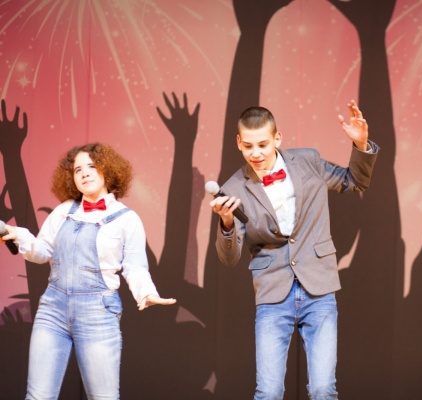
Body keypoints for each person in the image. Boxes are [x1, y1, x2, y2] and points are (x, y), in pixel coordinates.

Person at [210, 100, 379, 399]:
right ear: (238, 143)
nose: (256, 153)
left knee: (323, 388)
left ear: (277, 138)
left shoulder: (307, 161)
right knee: (269, 391)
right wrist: (226, 223)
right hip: (273, 292)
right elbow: (229, 257)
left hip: (319, 286)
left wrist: (361, 144)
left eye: (262, 144)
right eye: (248, 146)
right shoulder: (233, 189)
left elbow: (355, 181)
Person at [0, 143, 176, 399]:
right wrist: (16, 234)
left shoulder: (127, 219)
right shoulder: (64, 212)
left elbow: (135, 266)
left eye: (92, 166)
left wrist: (146, 293)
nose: (84, 173)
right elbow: (42, 251)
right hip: (52, 310)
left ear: (108, 170)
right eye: (77, 170)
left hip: (98, 313)